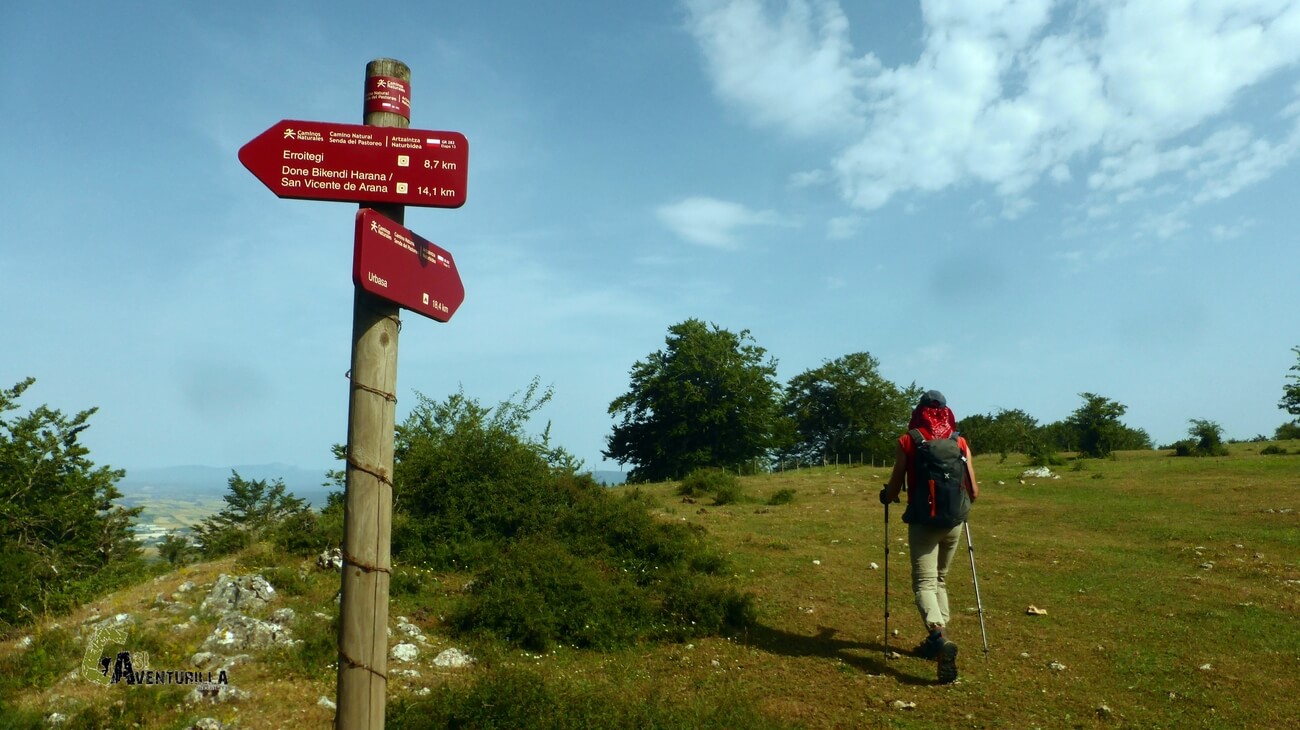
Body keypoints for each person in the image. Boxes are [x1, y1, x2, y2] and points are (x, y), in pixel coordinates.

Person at [879, 390, 979, 684]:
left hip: (924, 522)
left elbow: (894, 488)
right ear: (947, 411)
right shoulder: (959, 441)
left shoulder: (908, 440)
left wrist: (886, 496)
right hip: (954, 523)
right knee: (940, 579)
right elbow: (974, 491)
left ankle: (938, 636)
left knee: (924, 583)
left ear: (919, 411)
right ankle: (939, 638)